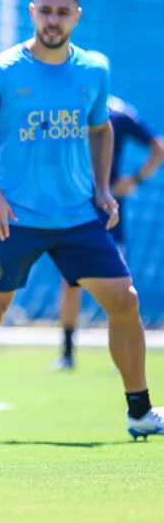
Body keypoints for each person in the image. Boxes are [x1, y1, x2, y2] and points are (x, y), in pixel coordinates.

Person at [0, 0, 164, 443]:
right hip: (16, 218)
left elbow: (101, 129)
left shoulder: (94, 69)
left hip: (78, 217)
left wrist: (103, 189)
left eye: (63, 12)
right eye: (45, 11)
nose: (53, 20)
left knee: (125, 303)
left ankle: (140, 412)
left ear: (77, 17)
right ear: (32, 12)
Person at [53, 95, 164, 369]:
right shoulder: (65, 110)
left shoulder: (119, 113)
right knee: (70, 282)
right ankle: (67, 354)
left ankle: (123, 354)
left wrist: (134, 179)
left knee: (118, 288)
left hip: (107, 210)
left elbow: (158, 147)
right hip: (74, 208)